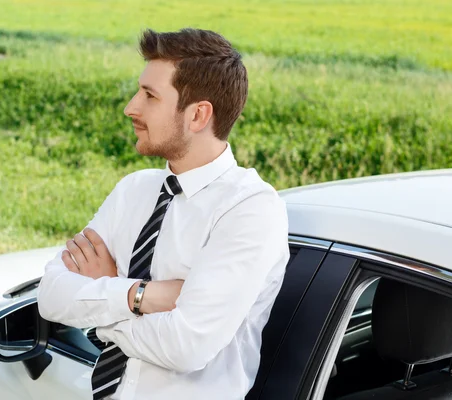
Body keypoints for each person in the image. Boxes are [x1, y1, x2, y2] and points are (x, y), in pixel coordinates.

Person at [37, 27, 290, 400]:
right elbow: (51, 296)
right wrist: (143, 296)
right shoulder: (133, 190)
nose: (131, 107)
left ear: (198, 115)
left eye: (150, 96)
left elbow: (185, 347)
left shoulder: (249, 210)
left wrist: (102, 310)